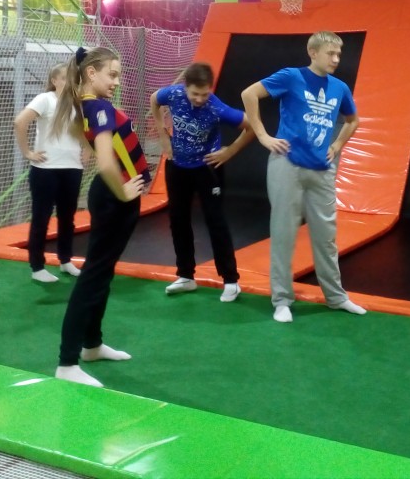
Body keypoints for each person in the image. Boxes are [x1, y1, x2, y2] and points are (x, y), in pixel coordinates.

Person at [240, 31, 366, 323]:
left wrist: (337, 144)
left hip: (321, 169)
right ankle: (282, 300)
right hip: (287, 164)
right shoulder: (291, 76)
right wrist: (263, 135)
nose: (336, 59)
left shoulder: (339, 87)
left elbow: (353, 120)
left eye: (339, 54)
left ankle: (336, 297)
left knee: (326, 237)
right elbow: (249, 94)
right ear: (313, 52)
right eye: (330, 53)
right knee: (283, 233)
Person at [54, 47, 150, 387]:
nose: (117, 82)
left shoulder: (87, 106)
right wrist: (123, 192)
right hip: (114, 197)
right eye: (112, 74)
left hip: (110, 195)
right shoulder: (99, 107)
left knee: (102, 272)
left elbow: (98, 151)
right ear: (91, 73)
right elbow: (106, 162)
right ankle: (67, 362)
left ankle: (92, 345)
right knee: (93, 276)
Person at [151, 62, 254, 302]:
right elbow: (154, 99)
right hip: (177, 165)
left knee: (215, 221)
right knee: (178, 220)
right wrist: (163, 134)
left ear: (210, 89)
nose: (199, 99)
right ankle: (186, 276)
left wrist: (230, 151)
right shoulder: (173, 94)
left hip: (207, 168)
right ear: (185, 87)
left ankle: (231, 280)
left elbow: (251, 126)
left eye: (204, 94)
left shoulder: (216, 107)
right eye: (195, 94)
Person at [15, 63, 84, 283]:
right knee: (41, 218)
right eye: (64, 78)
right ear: (54, 81)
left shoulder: (78, 103)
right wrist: (28, 152)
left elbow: (85, 131)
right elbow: (20, 121)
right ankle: (37, 267)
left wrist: (86, 152)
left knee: (67, 218)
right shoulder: (46, 99)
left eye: (72, 78)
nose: (69, 82)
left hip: (72, 168)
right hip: (46, 170)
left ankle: (66, 260)